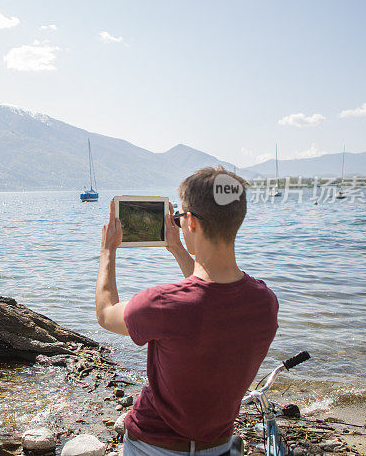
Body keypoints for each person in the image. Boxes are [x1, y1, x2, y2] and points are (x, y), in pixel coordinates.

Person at [95, 167, 278, 456]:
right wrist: (179, 249)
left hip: (153, 446)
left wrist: (108, 251)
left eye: (180, 217)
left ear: (191, 222)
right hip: (217, 446)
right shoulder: (265, 303)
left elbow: (106, 314)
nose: (178, 222)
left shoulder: (162, 304)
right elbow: (210, 297)